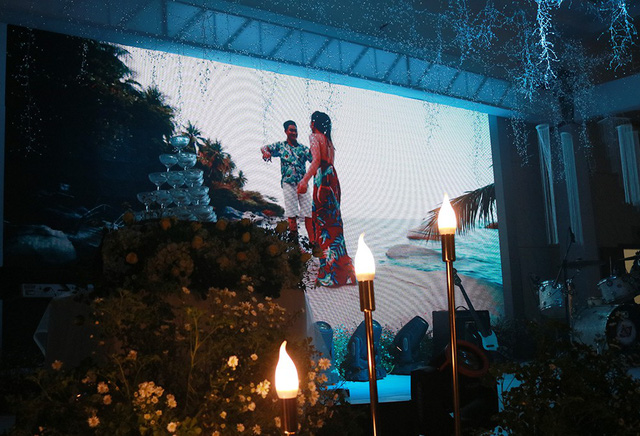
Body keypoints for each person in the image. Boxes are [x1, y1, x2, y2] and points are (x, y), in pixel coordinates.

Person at [297, 111, 356, 287]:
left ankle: (329, 275)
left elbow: (315, 162)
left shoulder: (315, 137)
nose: (309, 124)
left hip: (322, 180)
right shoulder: (329, 142)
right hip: (332, 181)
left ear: (314, 123)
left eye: (311, 121)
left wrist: (304, 180)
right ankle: (346, 270)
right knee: (335, 226)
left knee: (322, 226)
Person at [261, 120, 314, 242]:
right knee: (291, 214)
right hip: (288, 183)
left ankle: (313, 243)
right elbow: (264, 148)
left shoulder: (303, 149)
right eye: (291, 130)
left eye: (295, 130)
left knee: (308, 214)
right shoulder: (280, 146)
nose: (294, 133)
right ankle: (295, 244)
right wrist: (266, 153)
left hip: (302, 184)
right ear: (285, 131)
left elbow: (314, 160)